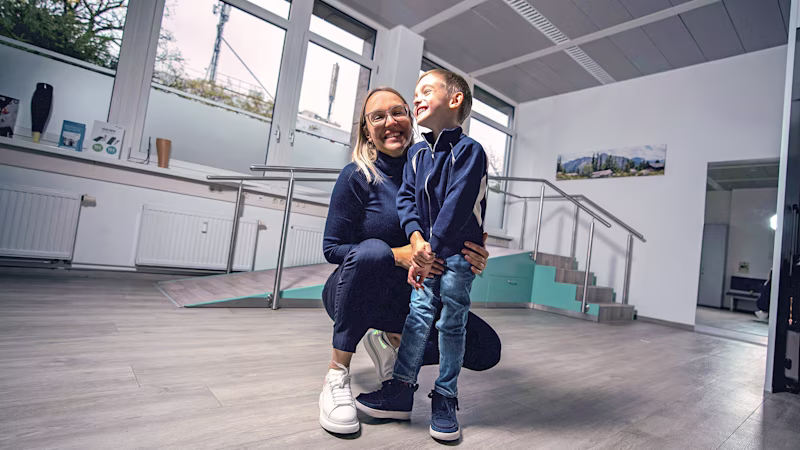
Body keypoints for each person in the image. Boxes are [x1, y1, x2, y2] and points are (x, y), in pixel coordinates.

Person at [318, 86, 502, 435]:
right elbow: (332, 248)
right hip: (354, 290)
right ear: (366, 131)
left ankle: (389, 342)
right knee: (372, 249)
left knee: (485, 348)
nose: (390, 122)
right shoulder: (357, 176)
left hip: (413, 295)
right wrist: (397, 255)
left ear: (411, 118)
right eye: (378, 116)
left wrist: (475, 254)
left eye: (398, 112)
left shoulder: (435, 170)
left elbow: (460, 223)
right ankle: (336, 373)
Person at [355, 70, 486, 441]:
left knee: (452, 322)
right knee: (418, 316)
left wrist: (433, 249)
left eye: (426, 91)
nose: (418, 98)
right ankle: (401, 387)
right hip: (424, 254)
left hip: (457, 255)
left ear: (455, 100)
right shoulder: (416, 153)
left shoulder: (470, 151)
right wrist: (417, 241)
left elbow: (459, 206)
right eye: (415, 94)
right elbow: (406, 199)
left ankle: (445, 395)